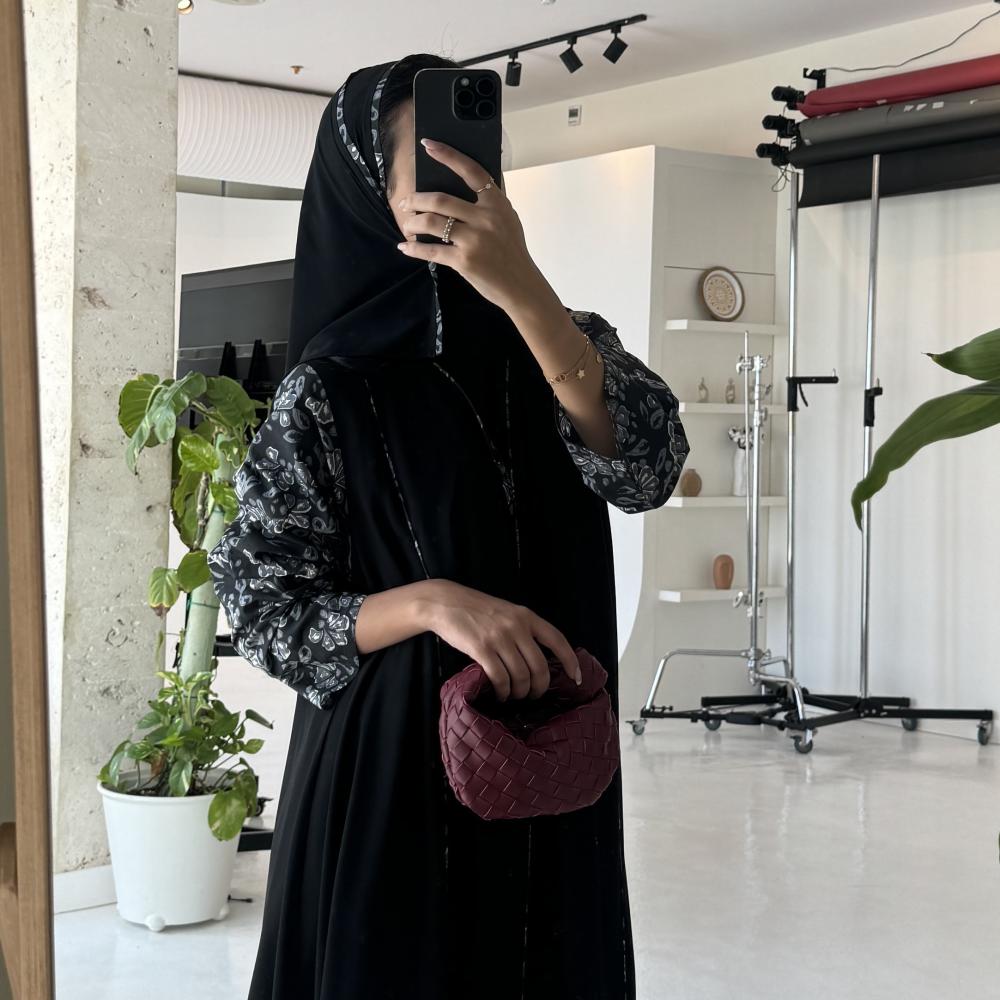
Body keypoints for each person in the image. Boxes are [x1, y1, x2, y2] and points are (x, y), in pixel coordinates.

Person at [208, 52, 689, 1000]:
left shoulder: (562, 340)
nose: (462, 182)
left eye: (476, 157)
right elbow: (263, 608)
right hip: (391, 785)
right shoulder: (329, 388)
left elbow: (648, 471)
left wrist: (528, 295)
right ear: (367, 190)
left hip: (550, 754)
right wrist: (432, 603)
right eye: (427, 163)